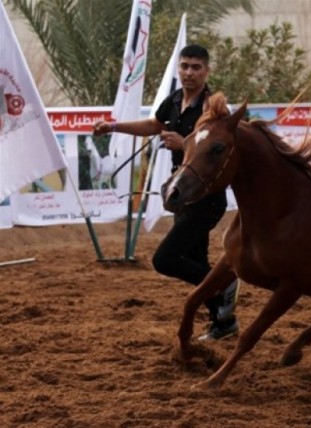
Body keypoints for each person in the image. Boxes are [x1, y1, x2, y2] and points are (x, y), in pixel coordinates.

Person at [93, 44, 239, 340]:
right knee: (196, 262)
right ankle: (223, 323)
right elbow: (152, 124)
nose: (189, 72)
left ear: (207, 71)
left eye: (196, 67)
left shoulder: (213, 107)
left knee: (166, 259)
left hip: (206, 197)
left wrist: (184, 143)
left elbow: (217, 145)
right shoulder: (173, 100)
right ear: (179, 69)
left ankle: (224, 283)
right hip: (182, 195)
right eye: (184, 66)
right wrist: (113, 127)